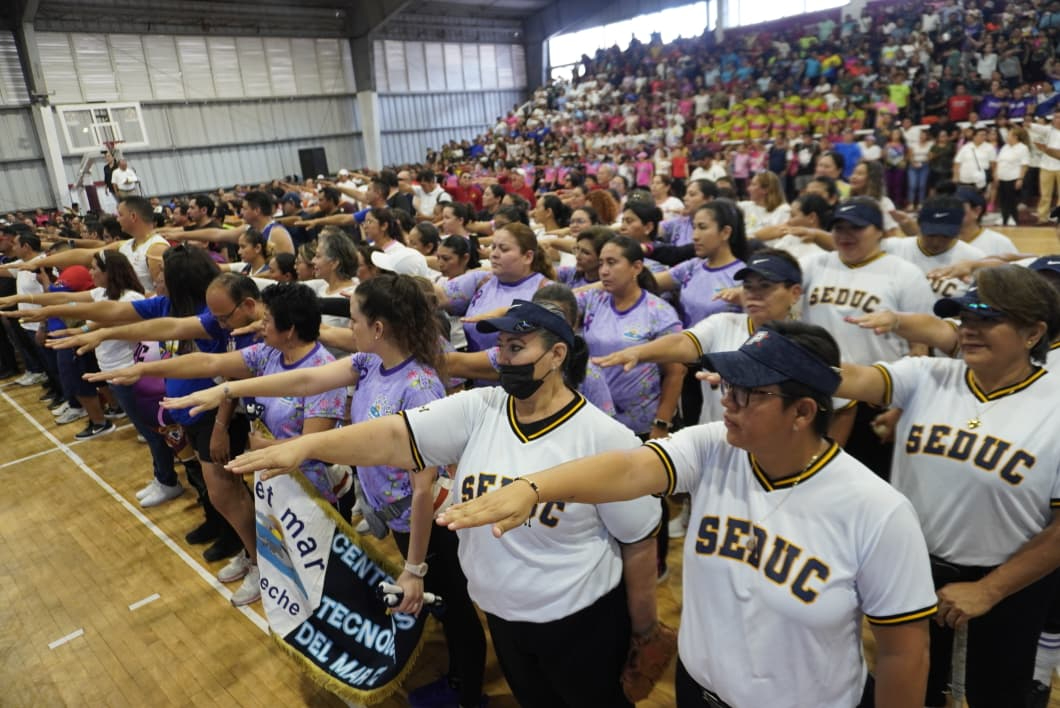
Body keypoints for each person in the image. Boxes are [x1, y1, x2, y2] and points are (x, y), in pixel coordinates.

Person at [437, 320, 936, 708]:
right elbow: (630, 469)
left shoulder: (879, 510)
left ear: (804, 412)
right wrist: (534, 487)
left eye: (747, 394)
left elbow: (902, 653)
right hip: (698, 692)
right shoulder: (713, 447)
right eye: (728, 387)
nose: (728, 405)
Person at [227, 299, 663, 708]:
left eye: (518, 346)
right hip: (504, 619)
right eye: (502, 347)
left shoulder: (608, 440)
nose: (505, 357)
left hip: (578, 624)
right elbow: (396, 434)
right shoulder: (481, 407)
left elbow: (639, 543)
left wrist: (644, 632)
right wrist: (309, 446)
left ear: (556, 355)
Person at [162, 274, 486, 707]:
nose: (347, 329)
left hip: (425, 520)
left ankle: (467, 689)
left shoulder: (419, 386)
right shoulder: (371, 363)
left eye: (353, 320)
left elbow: (424, 489)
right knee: (443, 603)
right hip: (396, 514)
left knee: (455, 607)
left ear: (379, 328)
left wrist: (413, 567)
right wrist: (228, 389)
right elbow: (304, 383)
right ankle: (456, 671)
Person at [834, 265, 1060, 707]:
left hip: (1005, 588)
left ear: (1033, 333)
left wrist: (989, 589)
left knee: (995, 696)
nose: (969, 330)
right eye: (965, 319)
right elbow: (852, 378)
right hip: (911, 574)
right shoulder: (927, 374)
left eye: (987, 319)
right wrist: (776, 362)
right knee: (907, 688)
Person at [799, 197, 936, 474]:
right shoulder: (814, 264)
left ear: (880, 232)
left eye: (856, 228)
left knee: (869, 480)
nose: (845, 235)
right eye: (839, 228)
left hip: (875, 398)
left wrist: (902, 408)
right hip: (818, 394)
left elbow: (922, 349)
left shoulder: (905, 274)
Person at [438, 222, 553, 355]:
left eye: (503, 249)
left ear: (527, 257)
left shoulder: (546, 290)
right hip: (472, 369)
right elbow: (436, 295)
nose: (494, 255)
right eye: (493, 248)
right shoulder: (482, 279)